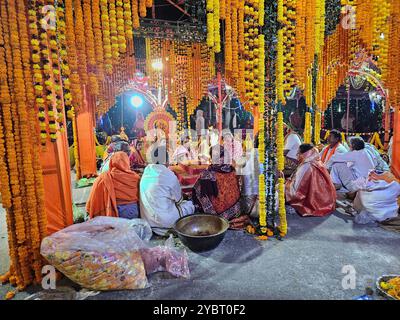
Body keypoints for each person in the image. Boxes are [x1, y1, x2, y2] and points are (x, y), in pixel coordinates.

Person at [140, 146, 195, 235]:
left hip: (148, 221)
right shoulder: (168, 175)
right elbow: (179, 200)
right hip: (165, 224)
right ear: (166, 160)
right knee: (189, 205)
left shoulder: (147, 171)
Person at [192, 145, 242, 221]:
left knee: (200, 187)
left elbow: (197, 191)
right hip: (236, 211)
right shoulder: (233, 170)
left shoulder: (208, 174)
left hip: (218, 217)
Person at [285, 144, 336, 217]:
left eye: (299, 153)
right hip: (326, 201)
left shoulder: (306, 166)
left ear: (305, 154)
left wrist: (286, 183)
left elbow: (296, 191)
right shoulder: (317, 162)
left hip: (314, 203)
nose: (297, 155)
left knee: (280, 188)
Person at [86, 152, 140, 219]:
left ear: (111, 162)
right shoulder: (135, 177)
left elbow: (94, 197)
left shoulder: (103, 178)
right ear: (127, 162)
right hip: (133, 213)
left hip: (111, 213)